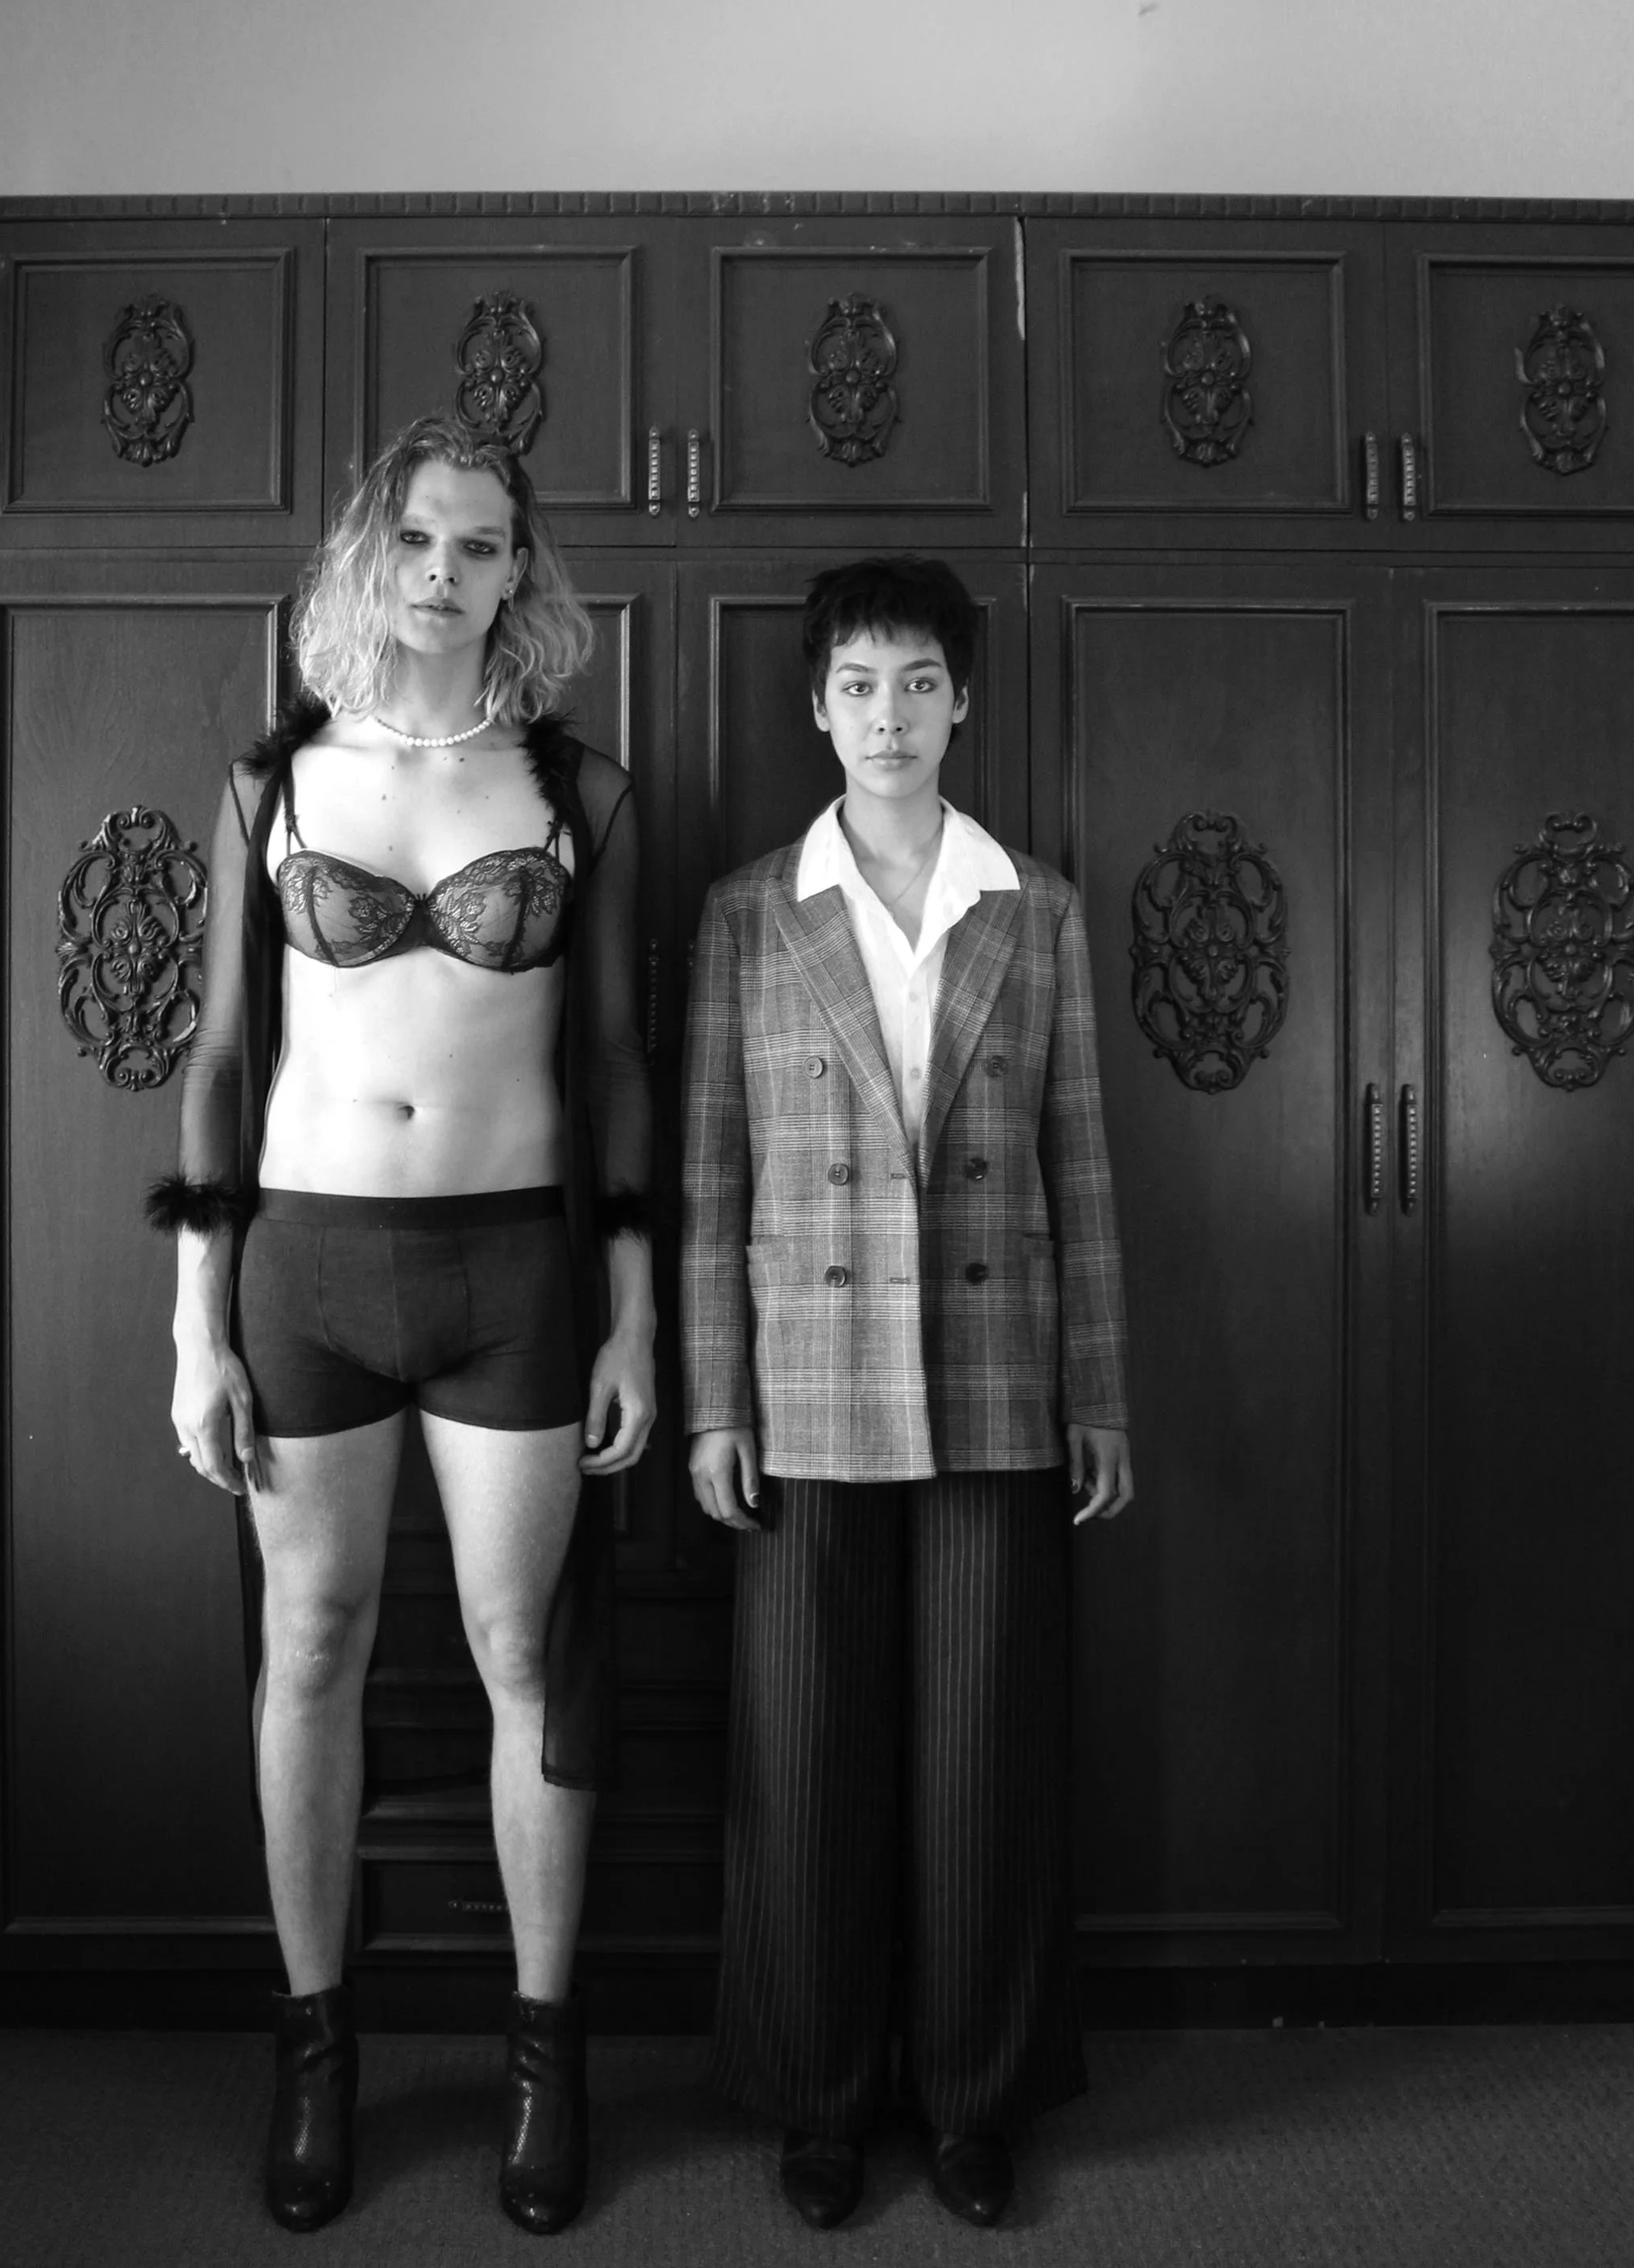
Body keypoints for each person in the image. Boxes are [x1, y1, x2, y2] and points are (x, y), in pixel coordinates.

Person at [147, 414, 654, 2238]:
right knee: (311, 1644)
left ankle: (544, 2057)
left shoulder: (580, 792)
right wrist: (196, 1324)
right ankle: (316, 2052)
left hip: (514, 1272)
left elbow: (617, 1065)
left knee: (526, 1656)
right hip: (305, 1271)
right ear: (373, 555)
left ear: (523, 572)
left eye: (483, 544)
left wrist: (633, 1316)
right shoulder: (273, 783)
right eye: (421, 540)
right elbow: (220, 1063)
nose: (447, 573)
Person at [680, 555, 1131, 2232]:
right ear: (819, 706)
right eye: (860, 685)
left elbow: (1082, 1166)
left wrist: (1100, 1390)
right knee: (803, 1758)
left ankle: (973, 2098)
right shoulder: (748, 913)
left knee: (983, 1758)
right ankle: (817, 2097)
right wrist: (714, 1401)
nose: (890, 716)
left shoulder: (1039, 907)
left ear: (961, 701)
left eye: (919, 683)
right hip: (805, 1389)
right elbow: (710, 1175)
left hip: (999, 1381)